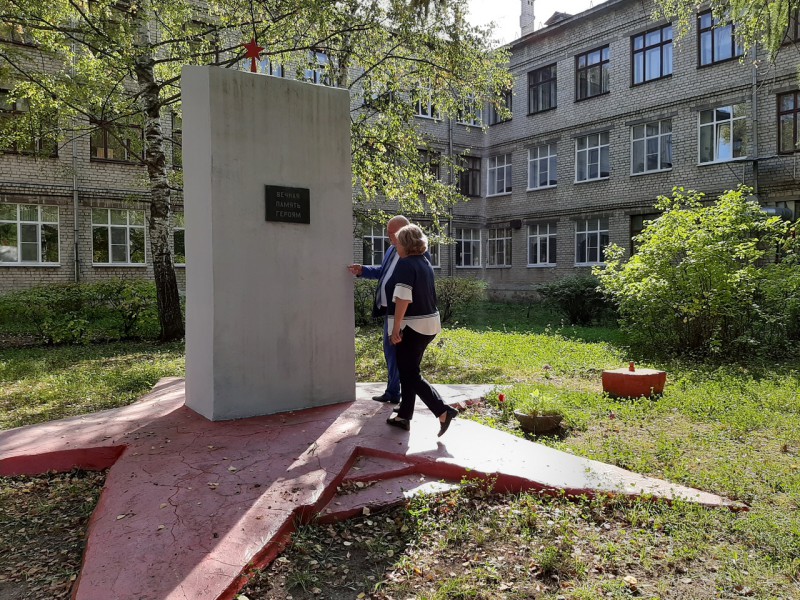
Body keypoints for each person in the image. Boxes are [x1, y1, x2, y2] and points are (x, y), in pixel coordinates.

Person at [383, 224, 458, 436]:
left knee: (409, 373)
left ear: (405, 244)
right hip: (428, 325)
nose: (395, 246)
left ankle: (442, 410)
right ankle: (404, 416)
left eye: (397, 242)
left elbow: (403, 298)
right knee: (409, 371)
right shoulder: (424, 261)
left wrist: (395, 328)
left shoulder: (406, 264)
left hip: (412, 327)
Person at [348, 215, 409, 404]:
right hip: (389, 310)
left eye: (392, 233)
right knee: (390, 351)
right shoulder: (391, 249)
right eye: (389, 233)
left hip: (404, 312)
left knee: (401, 354)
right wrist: (363, 270)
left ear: (403, 232)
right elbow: (383, 272)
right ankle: (392, 392)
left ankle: (403, 397)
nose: (389, 237)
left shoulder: (414, 252)